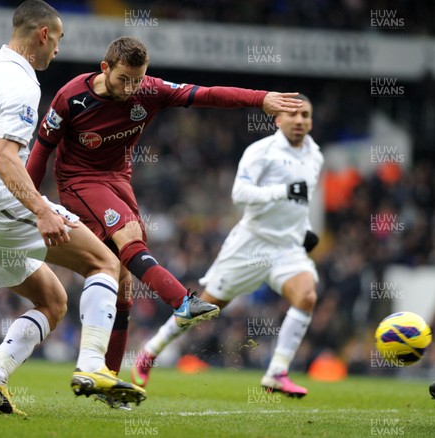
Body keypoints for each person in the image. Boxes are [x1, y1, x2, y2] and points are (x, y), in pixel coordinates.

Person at [26, 36, 305, 407]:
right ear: (105, 68)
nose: (131, 88)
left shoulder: (150, 90)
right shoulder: (70, 98)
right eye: (124, 79)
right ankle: (182, 301)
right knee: (128, 236)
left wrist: (261, 99)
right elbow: (41, 151)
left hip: (118, 179)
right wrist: (28, 203)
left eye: (138, 79)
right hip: (78, 181)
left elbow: (207, 94)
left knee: (124, 283)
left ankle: (108, 382)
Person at [0, 1, 145, 416]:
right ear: (43, 34)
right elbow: (5, 158)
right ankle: (93, 366)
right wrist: (41, 209)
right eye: (57, 39)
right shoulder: (23, 84)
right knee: (105, 264)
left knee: (53, 300)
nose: (57, 49)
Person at [132, 94, 322, 398]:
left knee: (307, 295)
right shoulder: (262, 151)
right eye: (293, 114)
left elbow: (301, 201)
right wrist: (282, 191)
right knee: (207, 307)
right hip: (251, 244)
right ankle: (151, 349)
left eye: (306, 115)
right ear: (278, 119)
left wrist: (307, 229)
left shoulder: (315, 155)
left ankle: (277, 371)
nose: (299, 120)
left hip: (287, 246)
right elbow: (240, 193)